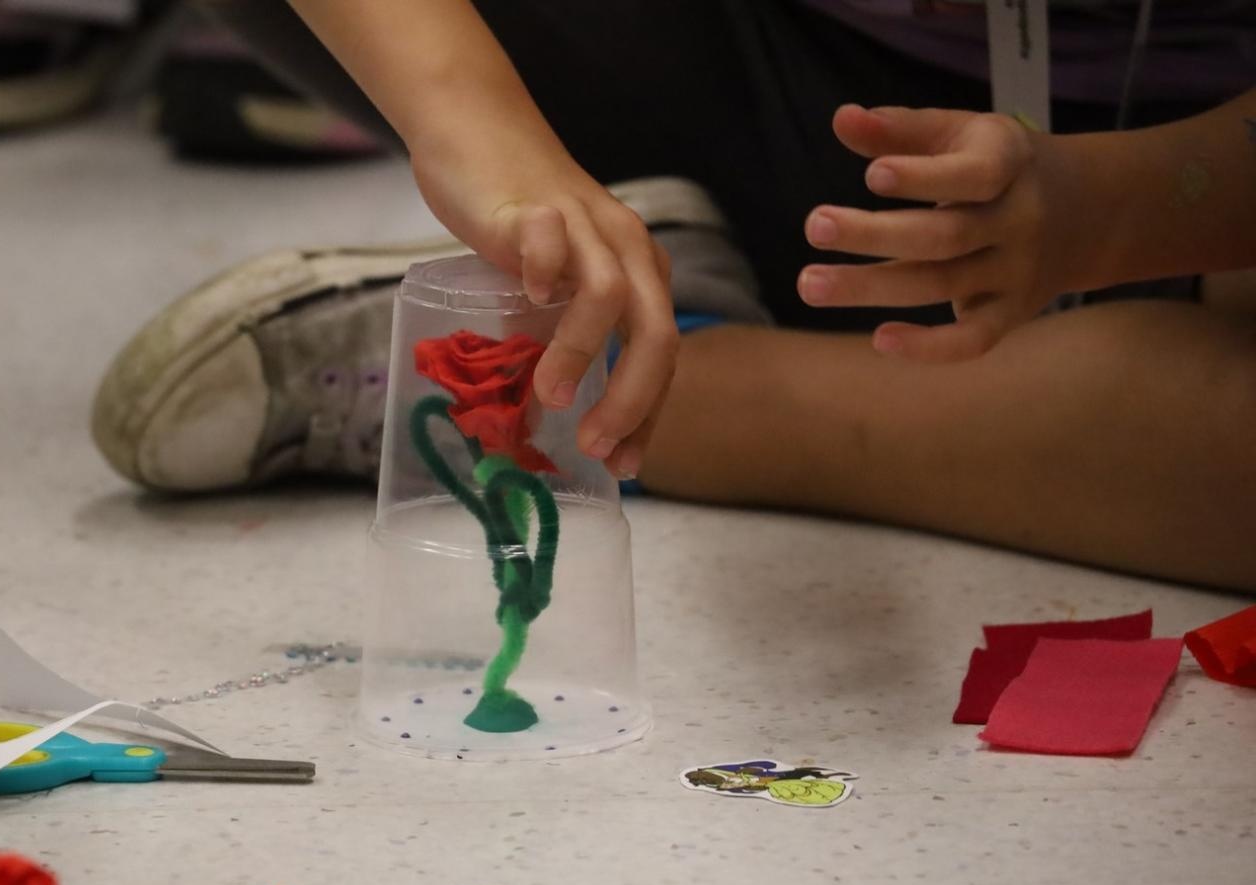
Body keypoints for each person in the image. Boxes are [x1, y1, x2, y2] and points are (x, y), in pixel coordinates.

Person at [91, 1, 1256, 593]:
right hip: (749, 67)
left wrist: (1126, 205)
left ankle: (568, 378)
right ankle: (585, 322)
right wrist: (475, 125)